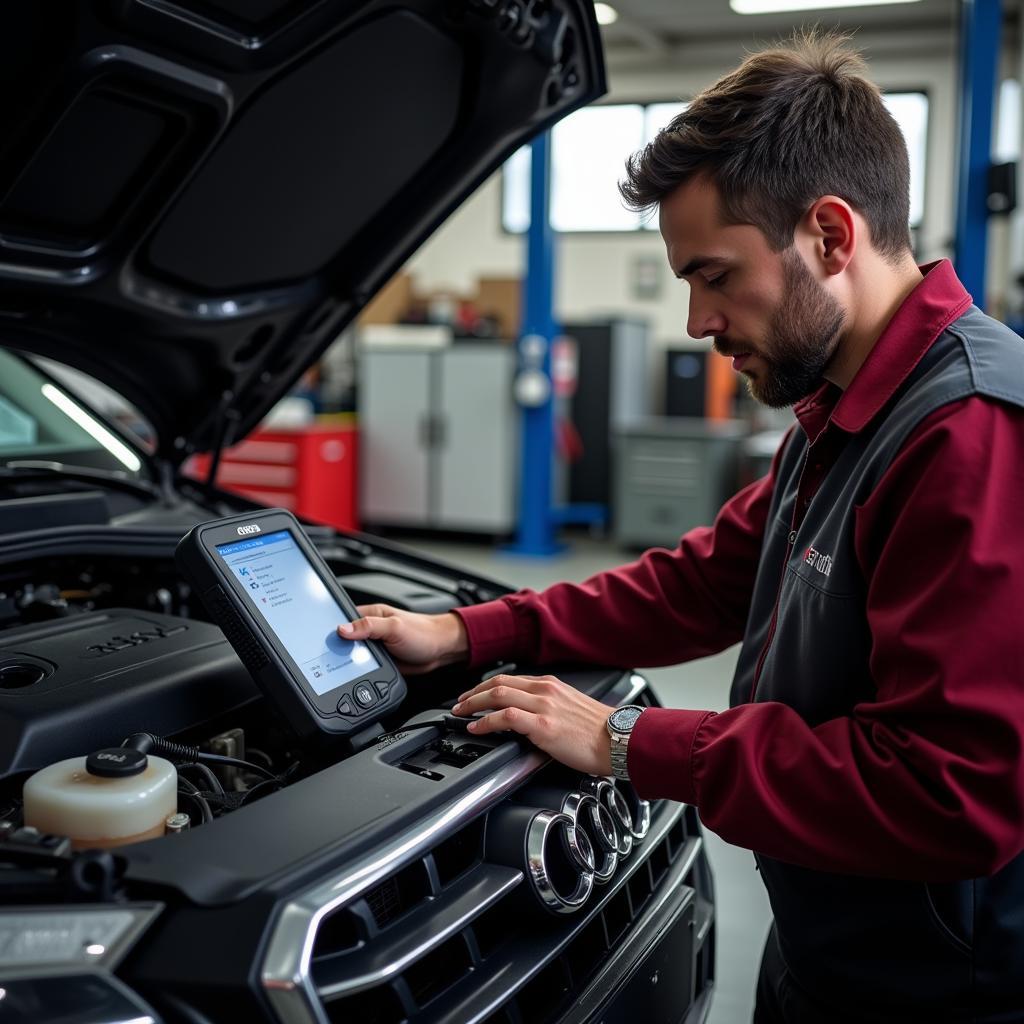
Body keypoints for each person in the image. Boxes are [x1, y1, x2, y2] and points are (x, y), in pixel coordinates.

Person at [338, 30, 1024, 1024]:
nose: (698, 322)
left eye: (713, 275)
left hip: (933, 992)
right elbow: (699, 583)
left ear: (829, 235)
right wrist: (463, 631)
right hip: (833, 943)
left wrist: (626, 740)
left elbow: (946, 790)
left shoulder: (966, 431)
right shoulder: (848, 409)